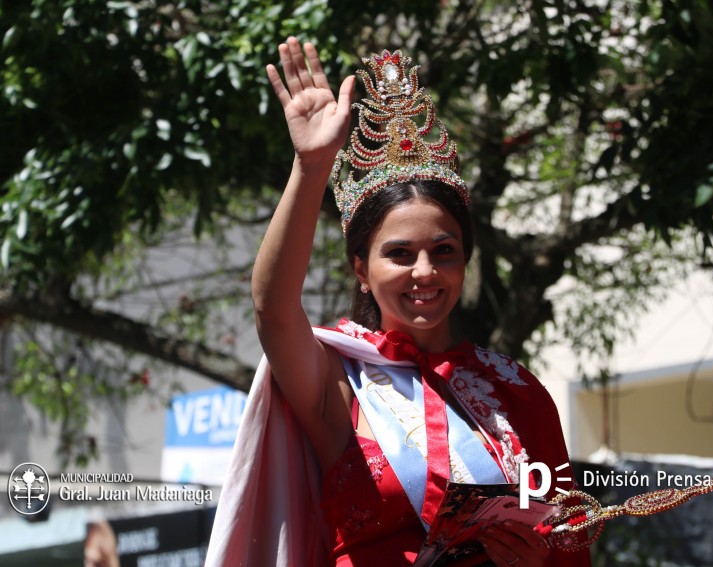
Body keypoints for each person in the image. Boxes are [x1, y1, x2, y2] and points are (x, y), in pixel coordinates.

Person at [205, 37, 591, 567]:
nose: (425, 271)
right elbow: (273, 308)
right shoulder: (339, 380)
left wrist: (534, 560)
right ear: (362, 270)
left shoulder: (518, 393)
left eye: (444, 251)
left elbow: (571, 546)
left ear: (465, 260)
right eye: (400, 254)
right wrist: (312, 165)